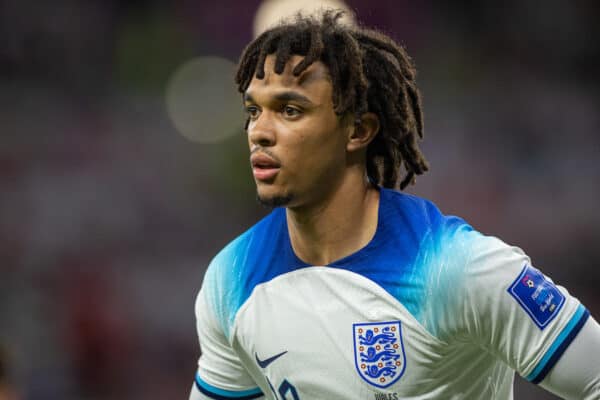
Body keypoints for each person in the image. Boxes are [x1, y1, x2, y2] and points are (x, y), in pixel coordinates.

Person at [190, 11, 600, 400]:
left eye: (290, 110)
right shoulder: (232, 279)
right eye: (253, 110)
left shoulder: (455, 267)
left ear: (358, 130)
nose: (259, 132)